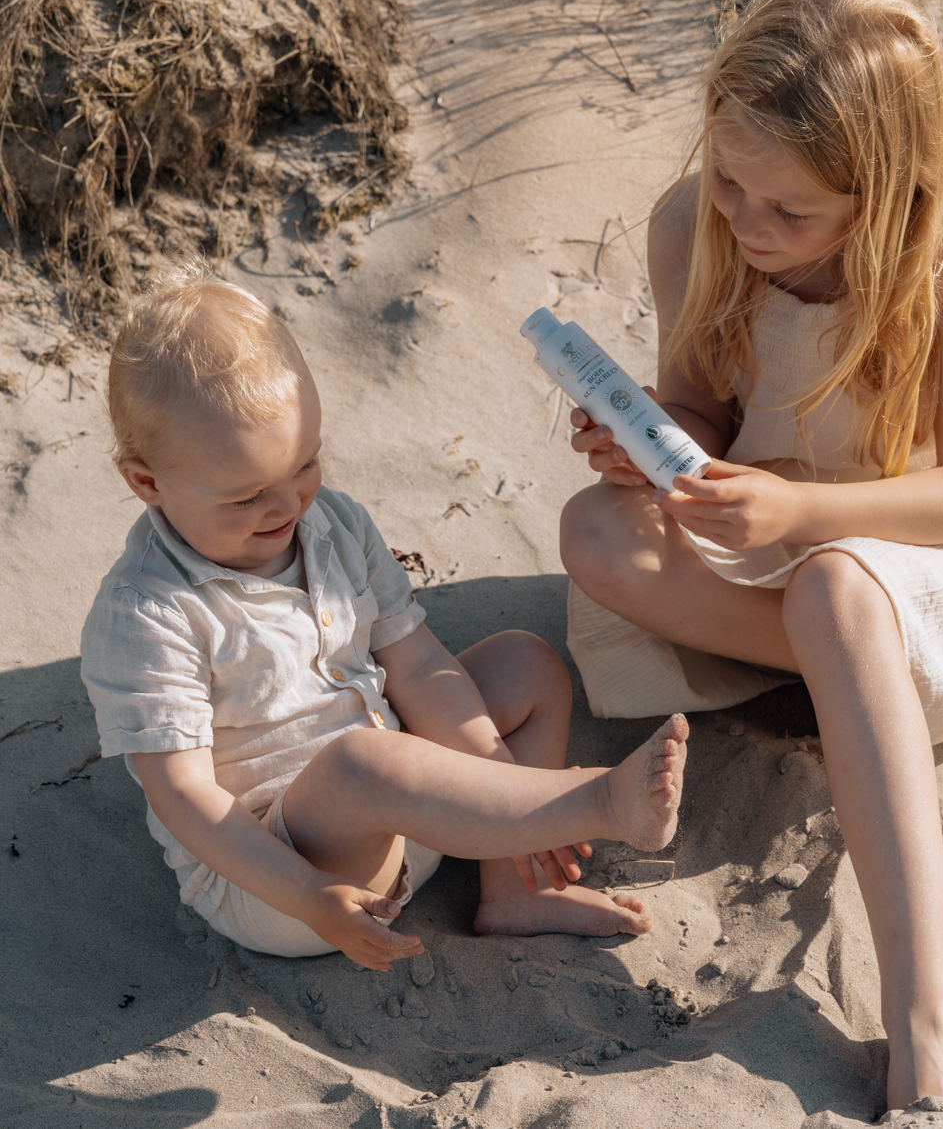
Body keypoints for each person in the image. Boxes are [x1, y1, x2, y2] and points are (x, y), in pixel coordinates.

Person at [559, 0, 943, 1110]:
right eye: (729, 181)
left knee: (839, 592)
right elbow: (703, 414)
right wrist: (648, 445)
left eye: (790, 213)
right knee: (596, 532)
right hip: (768, 543)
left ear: (883, 189)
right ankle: (844, 678)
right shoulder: (691, 223)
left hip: (912, 559)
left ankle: (922, 1015)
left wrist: (805, 515)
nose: (749, 224)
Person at [80, 261, 689, 971]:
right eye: (246, 497)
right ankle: (597, 801)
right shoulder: (148, 613)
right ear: (146, 481)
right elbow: (185, 798)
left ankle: (515, 886)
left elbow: (417, 662)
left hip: (408, 803)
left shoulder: (332, 523)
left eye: (305, 465)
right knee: (362, 763)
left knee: (523, 663)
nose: (287, 506)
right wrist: (307, 894)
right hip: (286, 878)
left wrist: (502, 784)